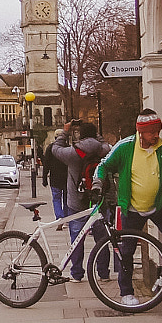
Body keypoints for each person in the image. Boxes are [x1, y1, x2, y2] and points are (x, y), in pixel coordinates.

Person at [96, 109, 162, 307]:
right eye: (151, 132)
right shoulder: (125, 147)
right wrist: (98, 183)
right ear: (141, 132)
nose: (156, 135)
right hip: (131, 208)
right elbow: (103, 165)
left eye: (158, 130)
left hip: (159, 207)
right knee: (127, 251)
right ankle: (126, 293)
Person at [51, 120, 111, 283]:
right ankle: (103, 273)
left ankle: (77, 273)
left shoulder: (73, 153)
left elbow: (55, 149)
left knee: (77, 239)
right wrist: (96, 133)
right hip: (97, 201)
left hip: (76, 202)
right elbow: (106, 144)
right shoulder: (103, 150)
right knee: (102, 238)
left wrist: (65, 131)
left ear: (81, 135)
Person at [43, 134, 68, 220]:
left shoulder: (50, 148)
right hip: (66, 178)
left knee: (56, 199)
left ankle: (59, 217)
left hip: (55, 178)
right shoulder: (68, 147)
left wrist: (44, 178)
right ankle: (66, 218)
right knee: (66, 199)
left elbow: (46, 164)